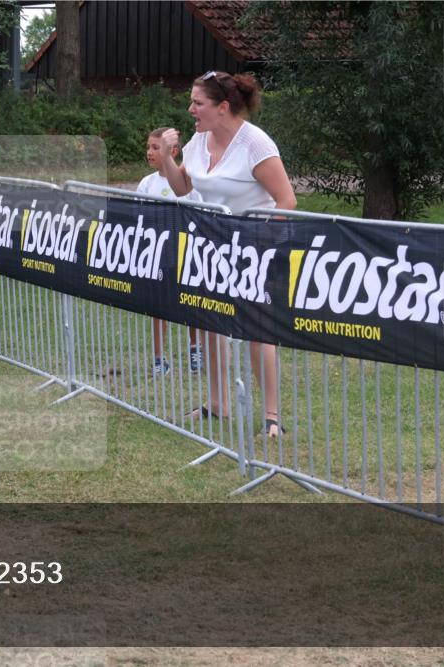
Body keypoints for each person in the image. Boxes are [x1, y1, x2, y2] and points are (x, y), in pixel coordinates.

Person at [158, 71, 297, 438]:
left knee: (257, 330)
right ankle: (217, 404)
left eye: (197, 103)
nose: (191, 109)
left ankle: (271, 417)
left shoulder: (255, 144)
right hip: (210, 247)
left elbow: (287, 201)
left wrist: (257, 242)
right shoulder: (199, 140)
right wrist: (170, 157)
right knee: (210, 324)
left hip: (255, 248)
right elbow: (181, 186)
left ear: (223, 108)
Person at [136, 127, 203, 376]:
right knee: (159, 307)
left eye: (156, 147)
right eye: (149, 147)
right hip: (158, 256)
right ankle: (158, 358)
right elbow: (137, 217)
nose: (149, 152)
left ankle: (196, 349)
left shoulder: (189, 183)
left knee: (192, 302)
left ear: (172, 151)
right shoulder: (146, 183)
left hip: (186, 254)